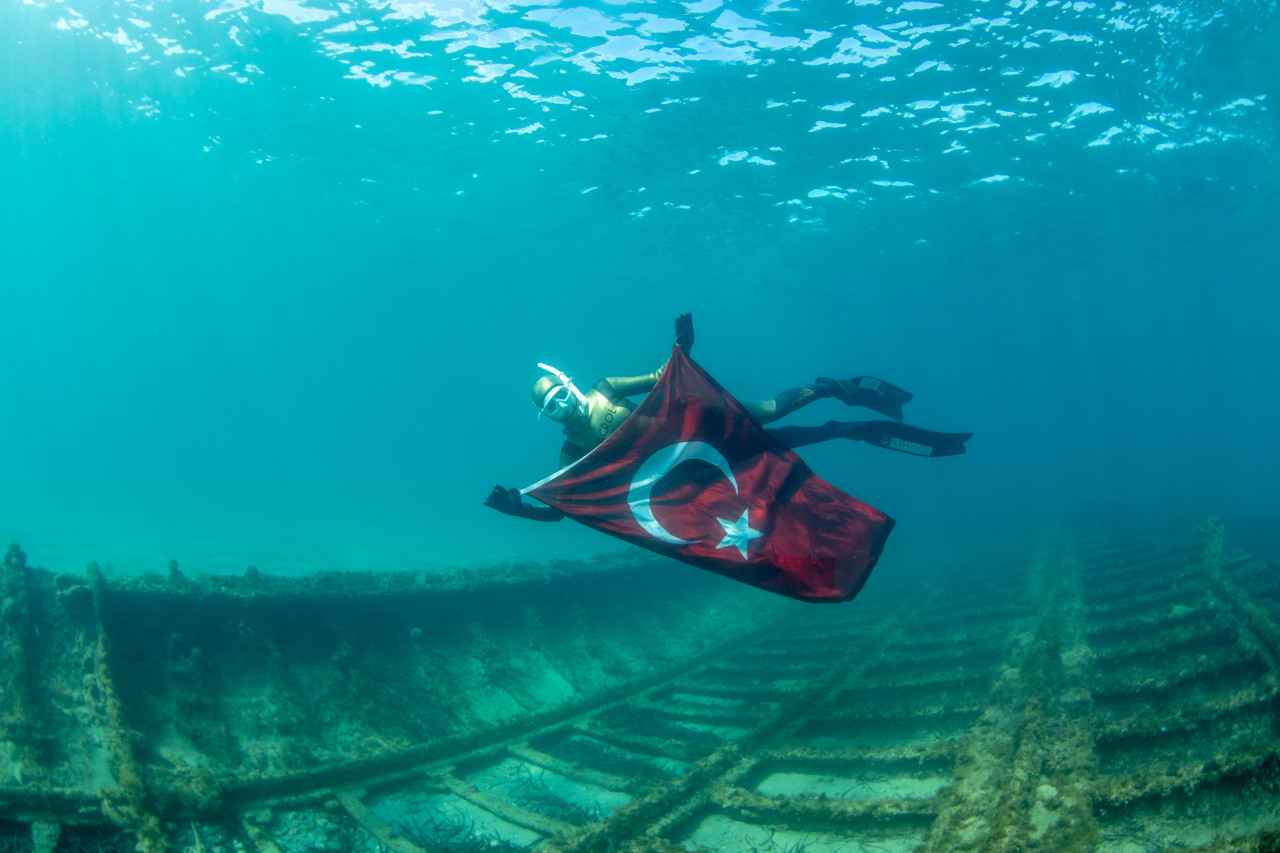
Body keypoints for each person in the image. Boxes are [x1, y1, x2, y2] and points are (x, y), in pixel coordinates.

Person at [485, 313, 971, 521]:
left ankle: (832, 388)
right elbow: (562, 510)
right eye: (550, 407)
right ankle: (851, 430)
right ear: (545, 417)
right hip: (698, 463)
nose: (561, 405)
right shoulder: (573, 451)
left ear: (569, 383)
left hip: (704, 421)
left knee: (775, 411)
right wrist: (520, 510)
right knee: (783, 445)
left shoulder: (607, 389)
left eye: (560, 394)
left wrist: (683, 348)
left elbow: (663, 375)